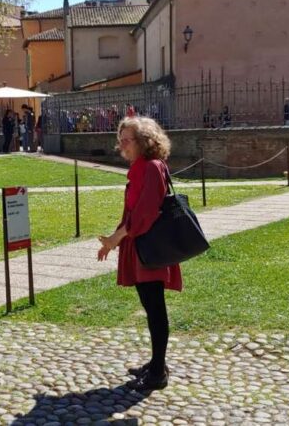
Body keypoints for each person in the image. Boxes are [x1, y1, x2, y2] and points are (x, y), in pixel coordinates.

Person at [97, 116, 181, 392]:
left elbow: (144, 215)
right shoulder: (140, 167)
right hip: (140, 245)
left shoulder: (152, 167)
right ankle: (157, 362)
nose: (122, 145)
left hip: (151, 248)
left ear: (144, 141)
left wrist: (115, 238)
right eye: (120, 140)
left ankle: (158, 371)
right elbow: (133, 213)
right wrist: (113, 240)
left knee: (155, 309)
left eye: (127, 140)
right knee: (151, 307)